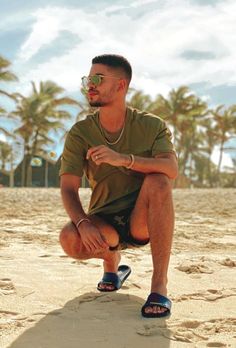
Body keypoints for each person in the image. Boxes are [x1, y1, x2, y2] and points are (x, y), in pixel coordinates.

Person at [59, 54, 178, 318]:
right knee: (68, 238)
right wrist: (82, 223)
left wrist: (123, 159)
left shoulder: (151, 125)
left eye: (97, 79)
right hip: (104, 221)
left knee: (159, 180)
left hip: (142, 219)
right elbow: (68, 187)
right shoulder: (80, 133)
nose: (90, 85)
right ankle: (112, 262)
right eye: (88, 79)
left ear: (121, 85)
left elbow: (171, 170)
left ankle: (159, 285)